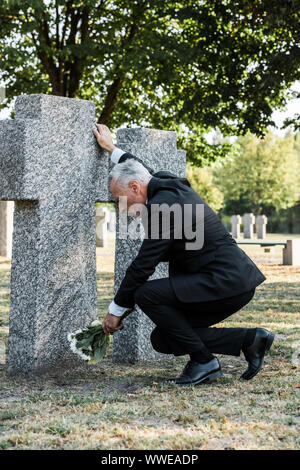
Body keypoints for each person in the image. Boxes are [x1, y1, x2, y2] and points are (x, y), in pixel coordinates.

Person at [93, 124, 275, 385]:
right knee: (163, 338)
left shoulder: (162, 207)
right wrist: (112, 149)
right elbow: (141, 169)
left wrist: (115, 310)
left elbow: (143, 265)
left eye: (119, 198)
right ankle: (250, 339)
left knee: (145, 293)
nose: (120, 208)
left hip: (225, 281)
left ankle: (205, 362)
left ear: (134, 187)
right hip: (227, 281)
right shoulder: (164, 184)